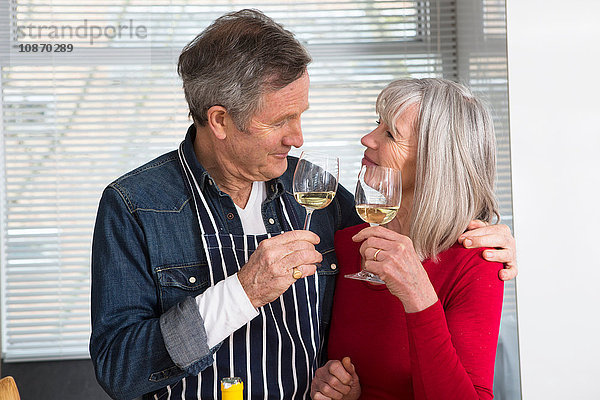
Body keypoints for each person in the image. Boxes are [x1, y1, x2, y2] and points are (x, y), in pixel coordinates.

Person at [89, 10, 517, 400]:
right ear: (219, 120)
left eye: (300, 115)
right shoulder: (134, 207)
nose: (298, 138)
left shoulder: (315, 190)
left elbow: (405, 230)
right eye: (279, 121)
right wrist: (243, 291)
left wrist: (484, 234)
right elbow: (120, 370)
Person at [311, 79, 509, 400]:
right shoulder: (347, 243)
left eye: (390, 134)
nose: (367, 139)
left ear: (436, 161)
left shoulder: (478, 262)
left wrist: (418, 296)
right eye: (378, 124)